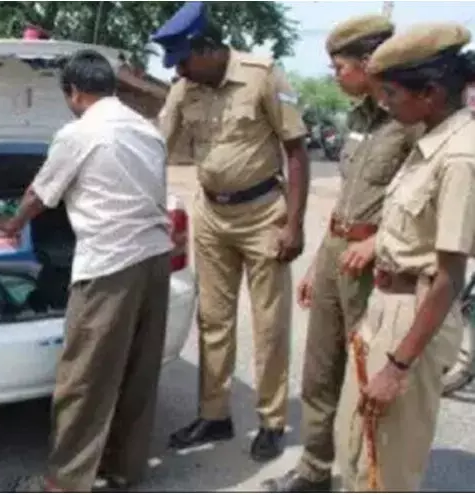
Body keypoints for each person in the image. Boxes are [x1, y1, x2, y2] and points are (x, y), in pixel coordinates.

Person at [263, 14, 420, 492]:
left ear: (369, 63)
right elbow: (351, 193)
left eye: (340, 67)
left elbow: (421, 198)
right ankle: (314, 469)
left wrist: (376, 241)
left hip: (376, 261)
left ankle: (360, 478)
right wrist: (319, 261)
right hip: (337, 251)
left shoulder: (409, 121)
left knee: (364, 376)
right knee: (319, 370)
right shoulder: (356, 119)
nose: (336, 76)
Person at [6, 49, 174, 492]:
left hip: (110, 266)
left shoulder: (79, 133)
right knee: (138, 373)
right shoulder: (147, 131)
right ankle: (123, 471)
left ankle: (63, 483)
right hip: (156, 261)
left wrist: (11, 225)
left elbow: (39, 195)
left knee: (83, 379)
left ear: (75, 92)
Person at [153, 1, 310, 461]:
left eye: (184, 59)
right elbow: (156, 146)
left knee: (268, 324)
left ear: (207, 47)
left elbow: (296, 152)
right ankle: (215, 415)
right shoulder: (186, 87)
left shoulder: (263, 75)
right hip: (212, 216)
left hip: (264, 214)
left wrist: (295, 224)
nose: (179, 70)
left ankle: (272, 420)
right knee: (213, 321)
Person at [333, 22, 475, 491]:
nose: (385, 104)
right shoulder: (427, 143)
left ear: (430, 92)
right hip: (386, 303)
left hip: (415, 315)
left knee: (388, 469)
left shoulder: (459, 157)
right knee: (357, 448)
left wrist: (398, 367)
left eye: (391, 93)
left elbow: (449, 275)